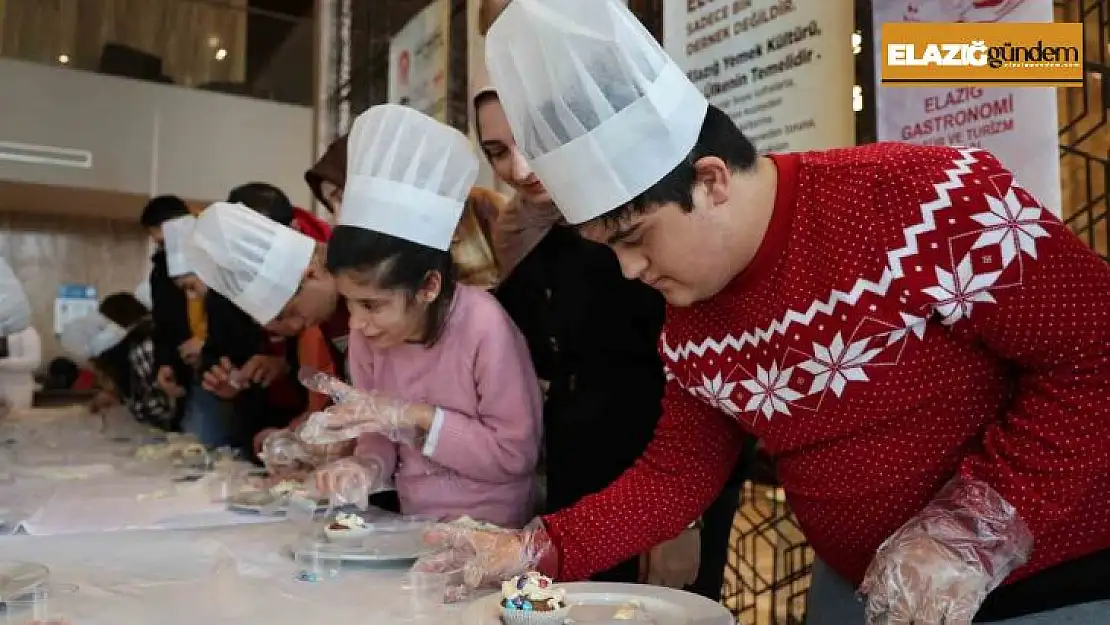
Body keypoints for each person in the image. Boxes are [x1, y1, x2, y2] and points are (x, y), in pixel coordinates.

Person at [413, 1, 1110, 623]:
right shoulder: (690, 323)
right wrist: (538, 546)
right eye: (607, 247)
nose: (629, 270)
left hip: (1050, 579)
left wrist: (969, 531)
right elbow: (675, 473)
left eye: (633, 237)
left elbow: (1093, 354)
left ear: (710, 180)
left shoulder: (921, 201)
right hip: (866, 587)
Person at [474, 83, 750, 595]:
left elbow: (711, 373)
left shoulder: (647, 215)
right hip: (577, 459)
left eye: (533, 141)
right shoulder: (517, 232)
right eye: (496, 152)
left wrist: (683, 521)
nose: (517, 168)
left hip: (673, 459)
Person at [295, 104, 542, 528]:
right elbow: (378, 431)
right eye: (349, 303)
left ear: (428, 286)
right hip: (413, 524)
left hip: (495, 531)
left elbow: (513, 456)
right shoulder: (368, 336)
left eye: (372, 305)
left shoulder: (484, 325)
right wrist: (365, 468)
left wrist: (416, 416)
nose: (357, 323)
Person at [187, 201, 351, 466]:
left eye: (291, 313)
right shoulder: (323, 315)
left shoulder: (363, 303)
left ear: (310, 274)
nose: (295, 327)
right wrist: (295, 437)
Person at [69, 295, 177, 430]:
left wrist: (127, 402)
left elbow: (158, 409)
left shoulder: (142, 348)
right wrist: (118, 396)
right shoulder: (144, 343)